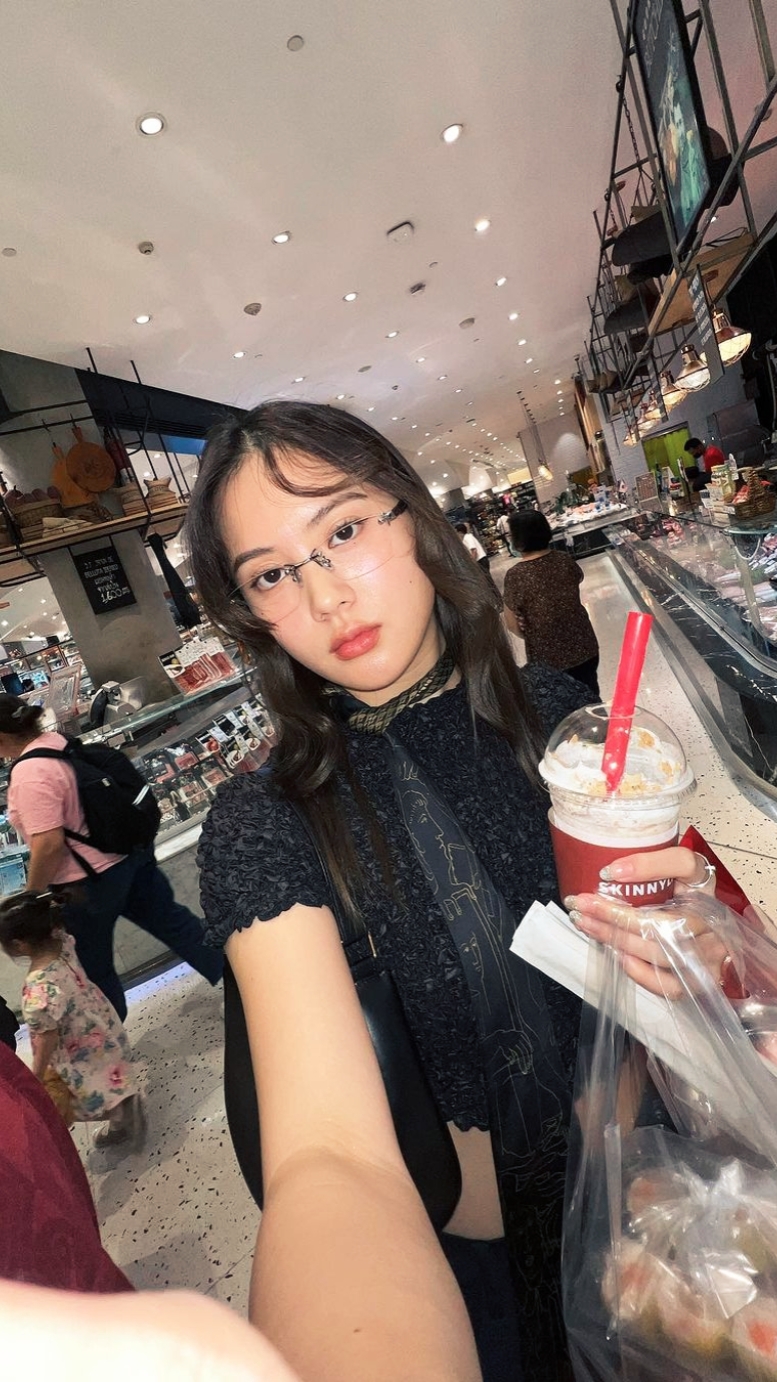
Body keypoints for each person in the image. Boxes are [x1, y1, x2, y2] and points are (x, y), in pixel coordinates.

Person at [184, 399, 694, 1382]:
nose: (325, 595)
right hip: (482, 1287)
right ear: (250, 612)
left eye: (342, 530)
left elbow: (684, 955)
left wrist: (693, 937)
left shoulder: (559, 718)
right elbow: (326, 1155)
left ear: (411, 518)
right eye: (272, 574)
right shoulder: (269, 820)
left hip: (661, 1197)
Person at [0, 695, 223, 1021]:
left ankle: (108, 1039)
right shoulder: (58, 742)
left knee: (95, 969)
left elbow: (48, 843)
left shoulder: (29, 773)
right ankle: (244, 986)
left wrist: (32, 895)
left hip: (85, 887)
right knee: (179, 927)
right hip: (128, 860)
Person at [0, 888, 144, 1147]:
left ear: (20, 945)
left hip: (74, 1047)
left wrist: (37, 1072)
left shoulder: (37, 990)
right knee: (107, 1071)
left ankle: (123, 1114)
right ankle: (123, 1106)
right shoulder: (63, 943)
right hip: (97, 1023)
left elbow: (47, 1037)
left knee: (82, 1097)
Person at [502, 511, 601, 698]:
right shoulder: (564, 560)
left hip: (547, 659)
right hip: (584, 645)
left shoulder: (516, 575)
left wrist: (532, 633)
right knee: (591, 697)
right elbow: (577, 579)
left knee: (562, 706)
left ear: (518, 539)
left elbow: (511, 623)